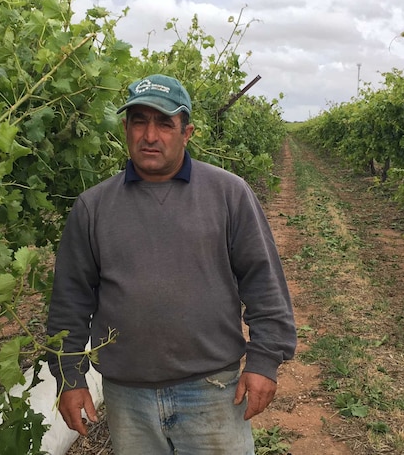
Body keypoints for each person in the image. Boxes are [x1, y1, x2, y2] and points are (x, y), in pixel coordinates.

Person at [45, 74, 297, 454]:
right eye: (139, 121)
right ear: (125, 128)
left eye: (164, 123)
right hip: (127, 397)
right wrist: (69, 377)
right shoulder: (93, 207)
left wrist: (264, 361)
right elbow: (71, 300)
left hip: (213, 390)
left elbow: (264, 283)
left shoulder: (228, 194)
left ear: (187, 132)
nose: (150, 136)